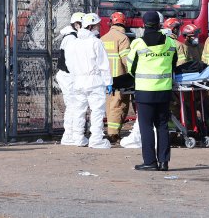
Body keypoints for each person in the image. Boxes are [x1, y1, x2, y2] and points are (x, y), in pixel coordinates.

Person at [127, 11, 177, 171]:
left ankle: (150, 162)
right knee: (162, 125)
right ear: (160, 24)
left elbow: (131, 67)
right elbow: (174, 63)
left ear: (143, 24)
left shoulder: (138, 43)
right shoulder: (170, 42)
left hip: (145, 90)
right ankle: (164, 162)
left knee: (146, 126)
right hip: (164, 89)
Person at [66, 13, 112, 149]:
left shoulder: (74, 43)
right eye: (97, 25)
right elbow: (103, 64)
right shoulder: (96, 42)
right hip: (94, 81)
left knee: (79, 110)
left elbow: (70, 64)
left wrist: (76, 77)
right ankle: (96, 139)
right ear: (91, 26)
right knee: (97, 111)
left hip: (78, 82)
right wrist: (108, 81)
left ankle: (78, 138)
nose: (99, 27)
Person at [100, 11, 132, 143]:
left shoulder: (103, 38)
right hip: (119, 78)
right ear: (123, 23)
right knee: (118, 106)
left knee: (109, 105)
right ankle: (113, 134)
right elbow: (127, 60)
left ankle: (112, 132)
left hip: (104, 79)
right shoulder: (123, 38)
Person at [57, 12, 85, 145]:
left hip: (68, 75)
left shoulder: (73, 37)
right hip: (68, 76)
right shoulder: (71, 38)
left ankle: (70, 135)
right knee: (73, 105)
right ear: (77, 24)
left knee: (73, 105)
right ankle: (70, 135)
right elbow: (70, 62)